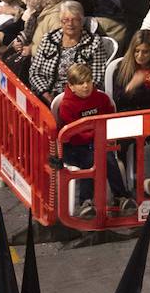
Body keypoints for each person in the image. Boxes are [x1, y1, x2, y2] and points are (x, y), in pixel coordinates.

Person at [57, 61, 135, 218]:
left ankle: (120, 197)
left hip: (99, 144)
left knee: (107, 157)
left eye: (88, 81)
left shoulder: (102, 99)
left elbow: (111, 120)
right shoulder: (66, 105)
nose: (86, 86)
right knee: (92, 159)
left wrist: (98, 136)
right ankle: (85, 202)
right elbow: (74, 135)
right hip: (74, 149)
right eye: (80, 83)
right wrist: (97, 134)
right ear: (71, 86)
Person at [28, 0, 108, 102]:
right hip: (46, 94)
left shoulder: (94, 42)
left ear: (81, 21)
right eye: (65, 20)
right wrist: (46, 94)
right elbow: (35, 72)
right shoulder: (48, 39)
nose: (70, 24)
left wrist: (74, 95)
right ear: (60, 21)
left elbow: (97, 77)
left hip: (79, 97)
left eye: (75, 20)